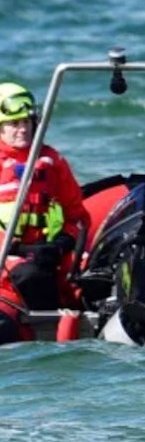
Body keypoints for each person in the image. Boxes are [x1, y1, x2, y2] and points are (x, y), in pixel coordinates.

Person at [0, 82, 90, 323]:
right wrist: (21, 251)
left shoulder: (52, 161)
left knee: (93, 273)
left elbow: (77, 216)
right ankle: (50, 327)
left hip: (49, 252)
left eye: (26, 123)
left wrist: (63, 243)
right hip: (8, 256)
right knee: (31, 275)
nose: (22, 130)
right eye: (14, 124)